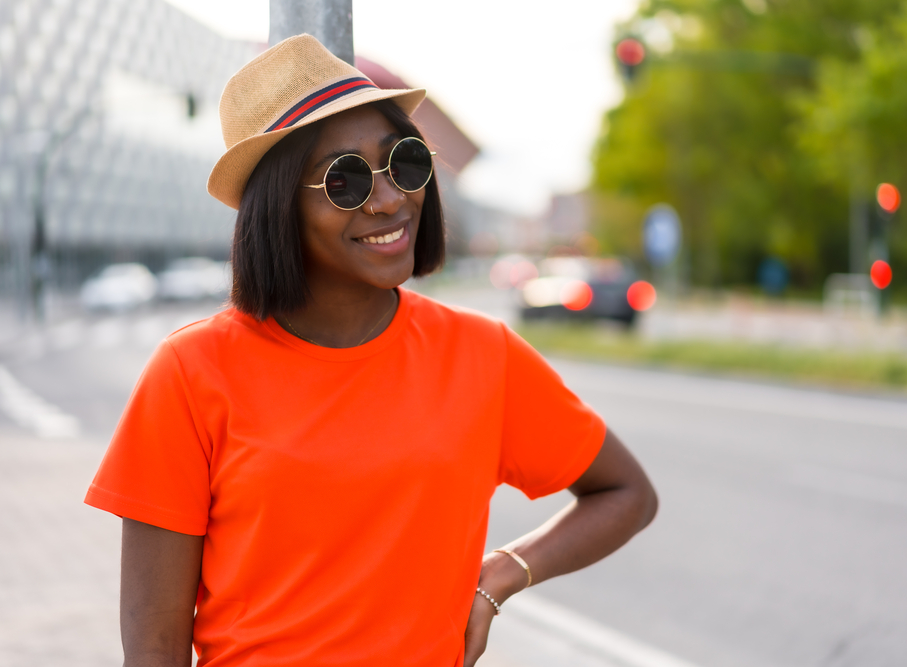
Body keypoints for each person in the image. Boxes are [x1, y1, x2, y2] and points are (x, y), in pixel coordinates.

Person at [85, 34, 657, 667]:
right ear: (279, 208)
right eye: (345, 180)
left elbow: (625, 492)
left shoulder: (481, 353)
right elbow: (154, 649)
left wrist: (503, 574)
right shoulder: (191, 372)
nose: (390, 198)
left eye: (403, 161)